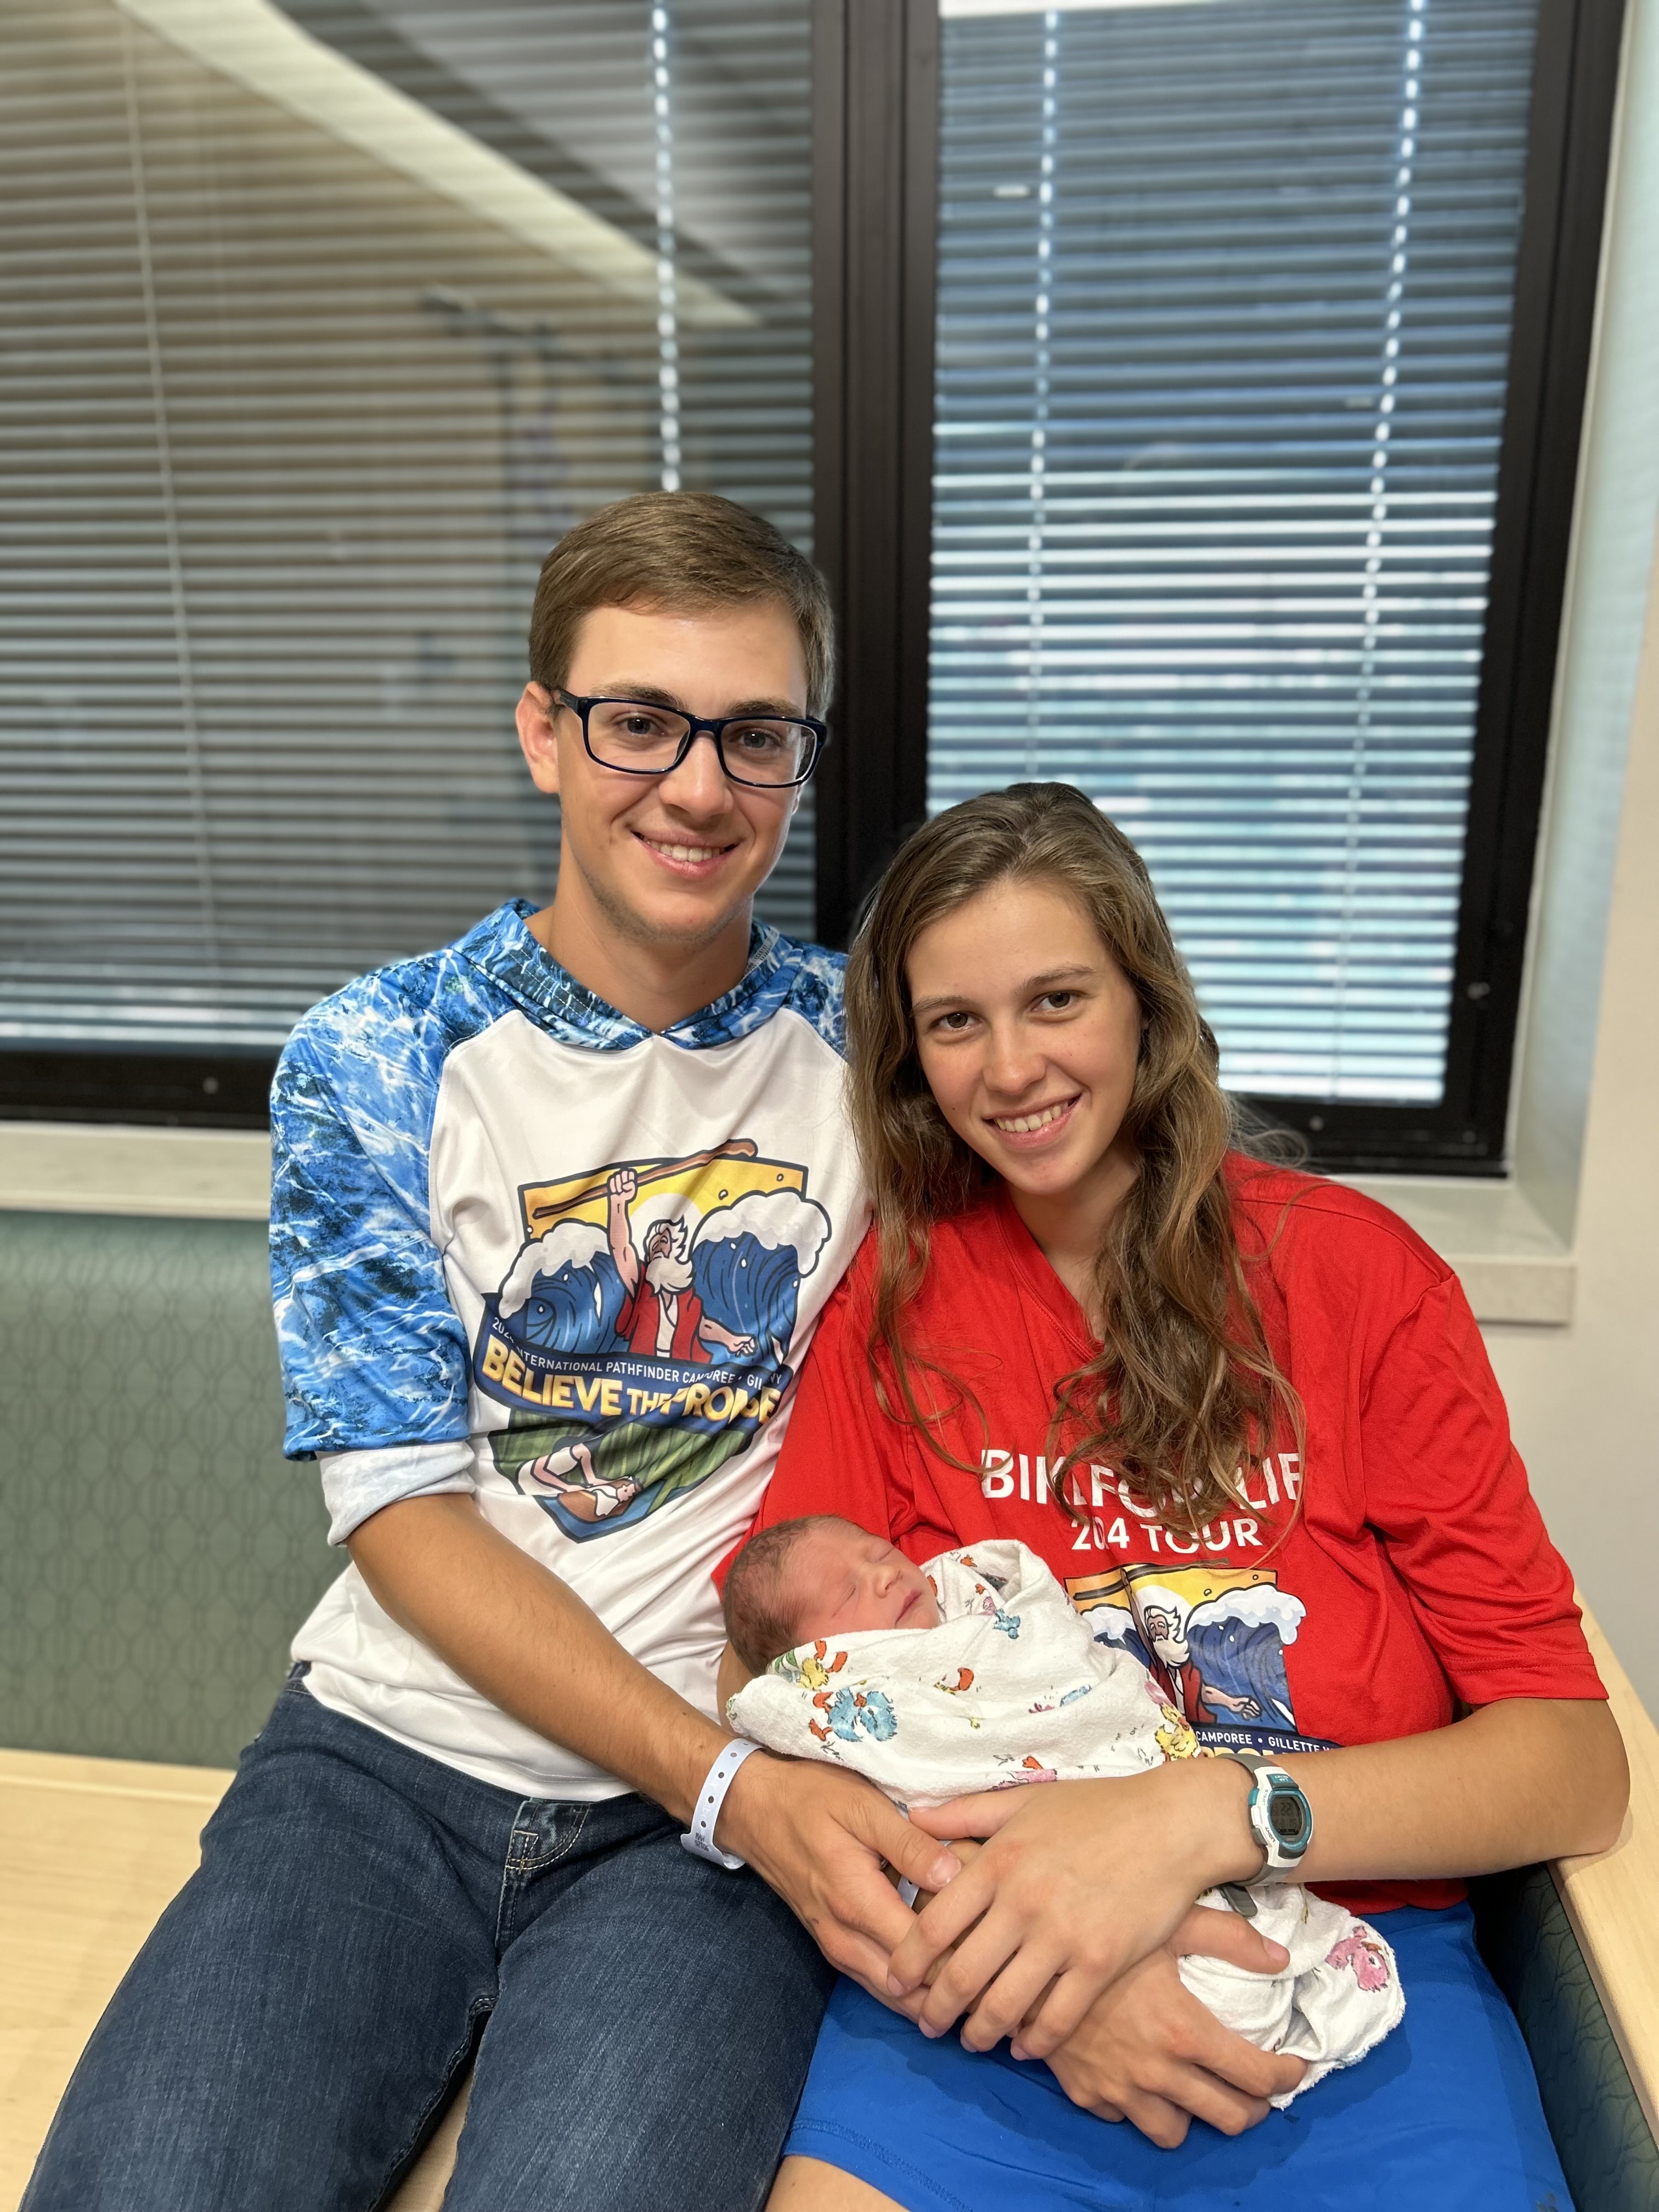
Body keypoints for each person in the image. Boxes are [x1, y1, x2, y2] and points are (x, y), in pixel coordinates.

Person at [20, 493, 963, 2212]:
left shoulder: (873, 1050)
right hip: (385, 1769)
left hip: (694, 1850)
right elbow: (401, 1513)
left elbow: (1107, 1182)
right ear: (544, 732)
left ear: (801, 761)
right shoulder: (376, 1055)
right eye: (640, 721)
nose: (697, 787)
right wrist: (732, 1786)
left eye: (754, 735)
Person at [742, 783, 1629, 2212]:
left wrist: (1207, 1818)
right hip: (993, 1978)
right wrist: (1059, 1989)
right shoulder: (890, 1312)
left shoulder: (1358, 1282)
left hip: (1352, 1974)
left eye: (1057, 999)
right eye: (956, 1022)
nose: (1013, 1066)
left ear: (1146, 1003)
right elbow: (778, 1687)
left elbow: (1572, 1766)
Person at [722, 1517, 1406, 2105]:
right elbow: (785, 1740)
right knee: (1236, 1994)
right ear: (814, 1659)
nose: (882, 1575)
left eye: (879, 1551)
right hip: (996, 1916)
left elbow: (1060, 1654)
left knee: (1255, 1957)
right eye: (848, 1591)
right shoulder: (844, 1693)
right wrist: (1023, 1954)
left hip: (1198, 1808)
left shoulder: (981, 1599)